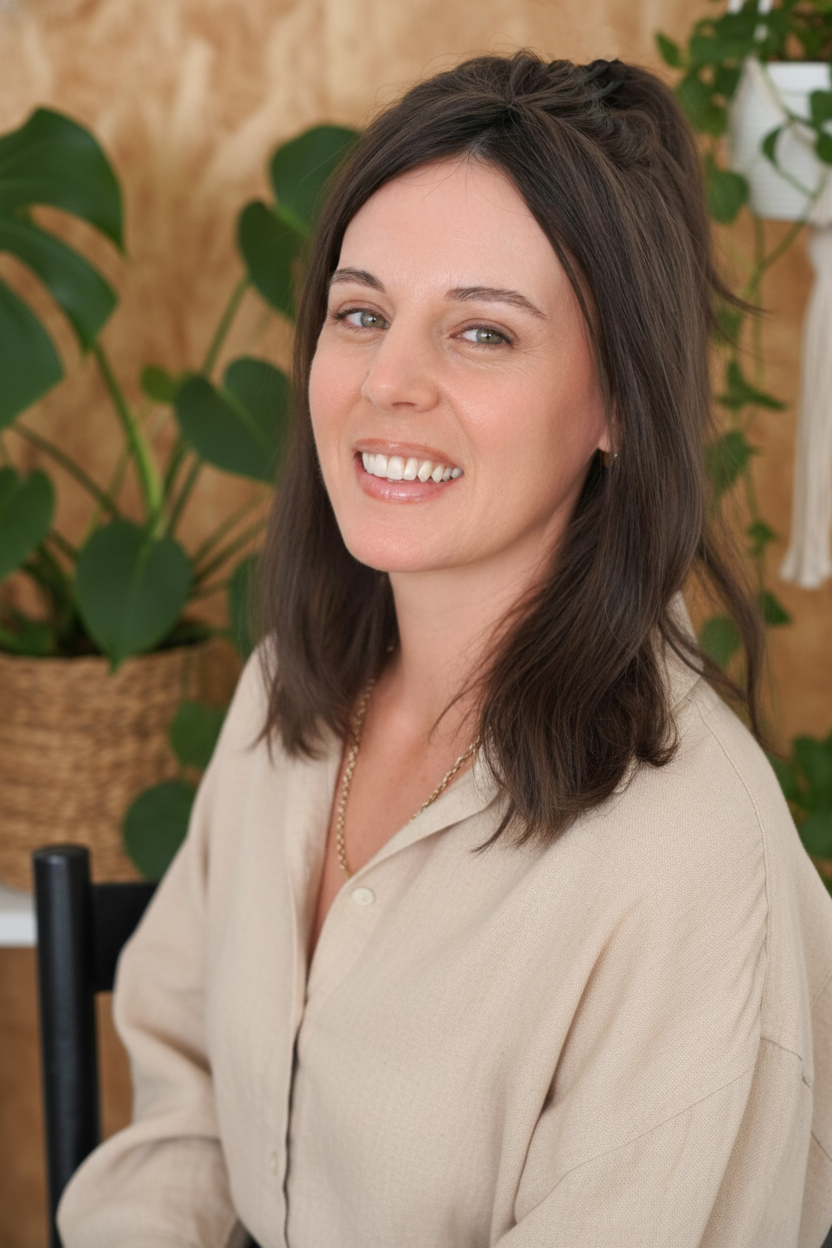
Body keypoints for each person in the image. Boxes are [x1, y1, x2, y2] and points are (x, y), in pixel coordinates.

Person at [59, 52, 832, 1248]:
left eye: (481, 333)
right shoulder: (289, 692)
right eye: (361, 313)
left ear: (618, 402)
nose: (387, 383)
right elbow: (192, 1106)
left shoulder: (686, 867)